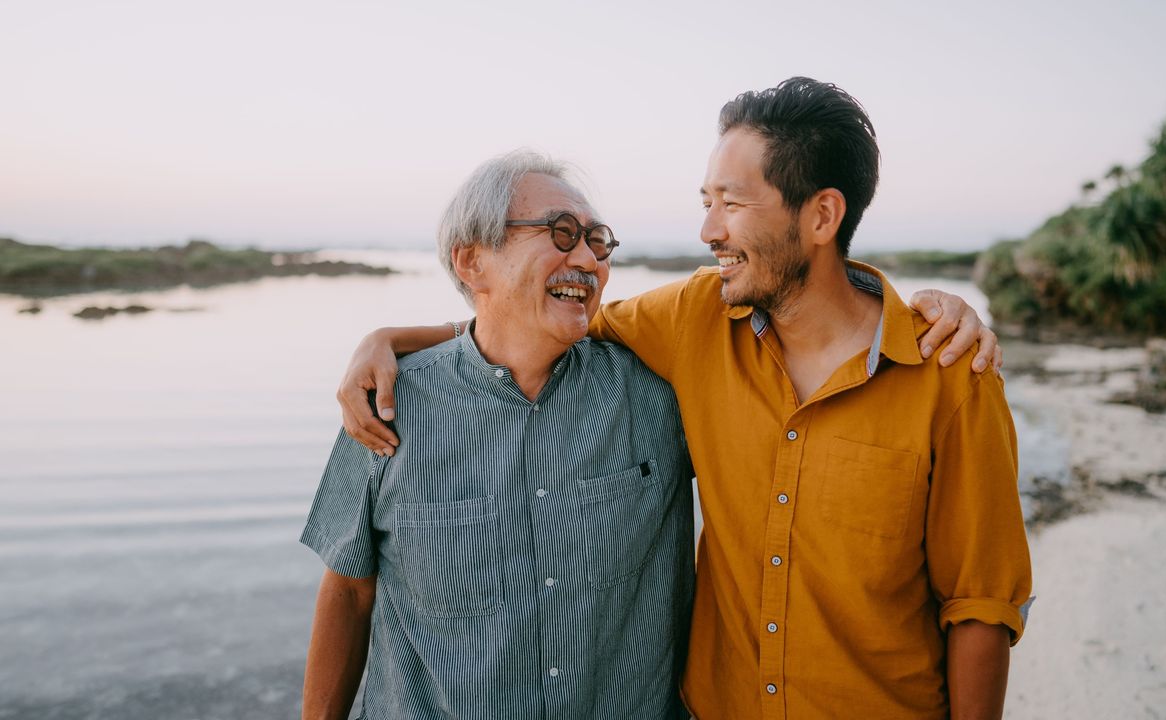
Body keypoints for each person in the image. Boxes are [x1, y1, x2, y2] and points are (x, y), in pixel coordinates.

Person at [340, 78, 1031, 719]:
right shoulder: (694, 318)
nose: (709, 232)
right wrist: (398, 337)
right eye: (707, 203)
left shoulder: (952, 374)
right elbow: (539, 321)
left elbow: (979, 607)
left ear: (821, 215)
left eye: (731, 203)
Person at [300, 153, 695, 719]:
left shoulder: (660, 398)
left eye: (597, 240)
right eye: (561, 234)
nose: (588, 259)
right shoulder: (386, 404)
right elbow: (347, 590)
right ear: (472, 262)